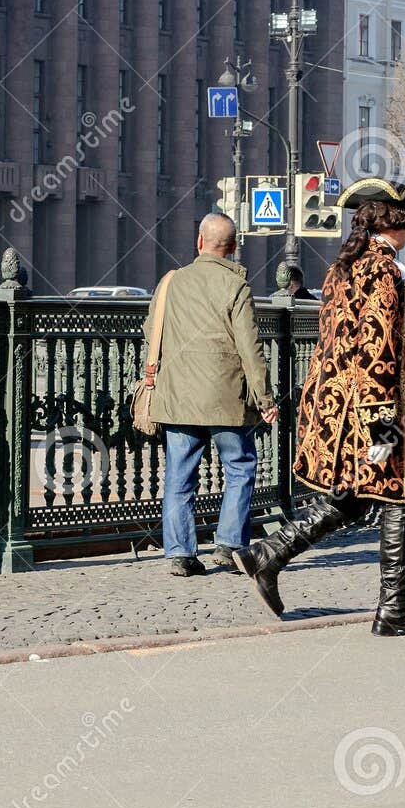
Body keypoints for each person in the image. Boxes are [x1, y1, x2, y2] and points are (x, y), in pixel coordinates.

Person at [232, 178, 405, 636]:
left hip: (336, 407)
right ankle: (394, 611)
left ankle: (268, 555)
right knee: (401, 497)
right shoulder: (384, 274)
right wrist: (384, 428)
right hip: (378, 409)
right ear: (397, 224)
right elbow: (376, 352)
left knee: (355, 496)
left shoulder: (342, 268)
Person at [143, 213, 279, 577]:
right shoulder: (236, 286)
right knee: (240, 467)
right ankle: (230, 546)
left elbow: (149, 332)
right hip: (226, 398)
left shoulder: (170, 282)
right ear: (233, 247)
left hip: (178, 397)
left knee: (179, 477)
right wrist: (265, 400)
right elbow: (251, 349)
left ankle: (180, 555)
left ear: (198, 242)